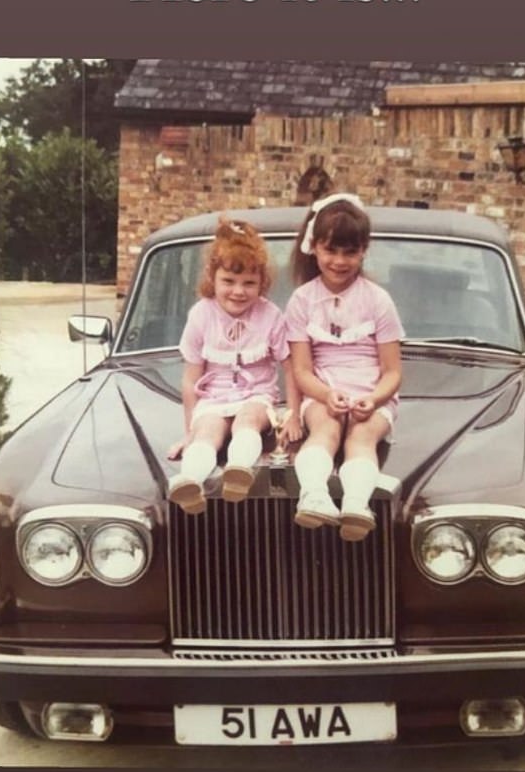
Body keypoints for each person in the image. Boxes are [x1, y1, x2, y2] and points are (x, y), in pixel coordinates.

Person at [285, 193, 404, 542]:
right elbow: (301, 370)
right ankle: (314, 495)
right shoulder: (302, 300)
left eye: (349, 252)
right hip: (323, 390)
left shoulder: (378, 301)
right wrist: (327, 394)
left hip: (373, 393)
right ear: (315, 248)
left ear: (363, 250)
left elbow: (393, 371)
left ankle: (355, 503)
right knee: (325, 429)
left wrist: (374, 398)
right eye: (330, 250)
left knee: (363, 435)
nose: (339, 261)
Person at [167, 218, 302, 514]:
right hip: (213, 398)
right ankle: (191, 480)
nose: (238, 291)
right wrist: (189, 431)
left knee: (248, 420)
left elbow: (291, 367)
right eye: (228, 281)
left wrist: (292, 416)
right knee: (207, 433)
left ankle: (239, 471)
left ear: (261, 283)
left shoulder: (270, 315)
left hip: (256, 396)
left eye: (249, 283)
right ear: (212, 278)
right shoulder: (201, 315)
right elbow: (191, 380)